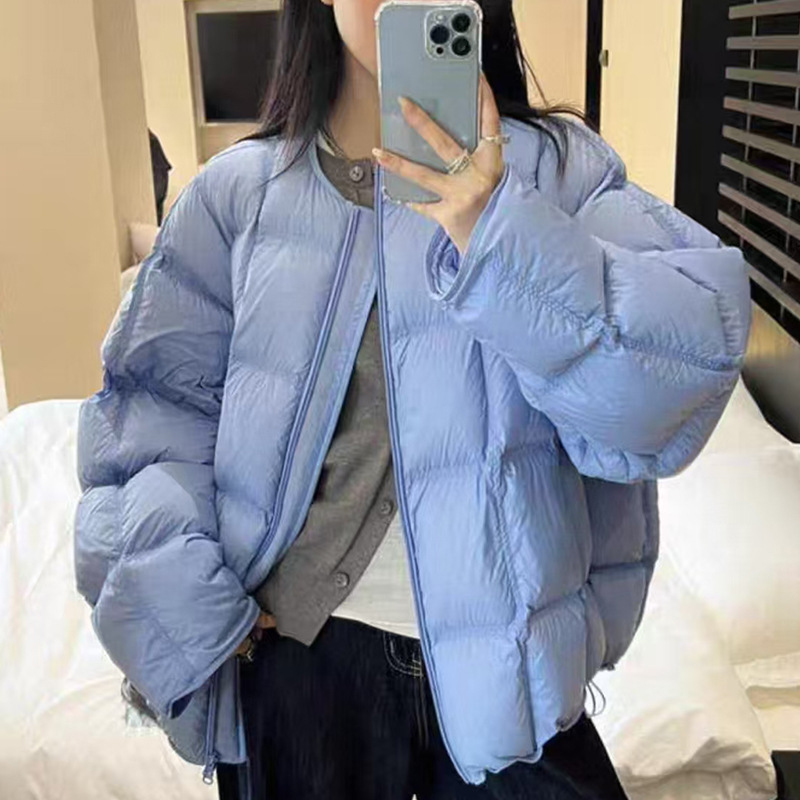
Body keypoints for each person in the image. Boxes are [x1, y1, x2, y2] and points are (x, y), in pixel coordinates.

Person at [72, 1, 752, 799]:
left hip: (513, 666)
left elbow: (675, 384)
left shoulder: (559, 173)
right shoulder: (238, 196)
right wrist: (196, 602)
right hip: (302, 665)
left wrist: (502, 233)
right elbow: (149, 419)